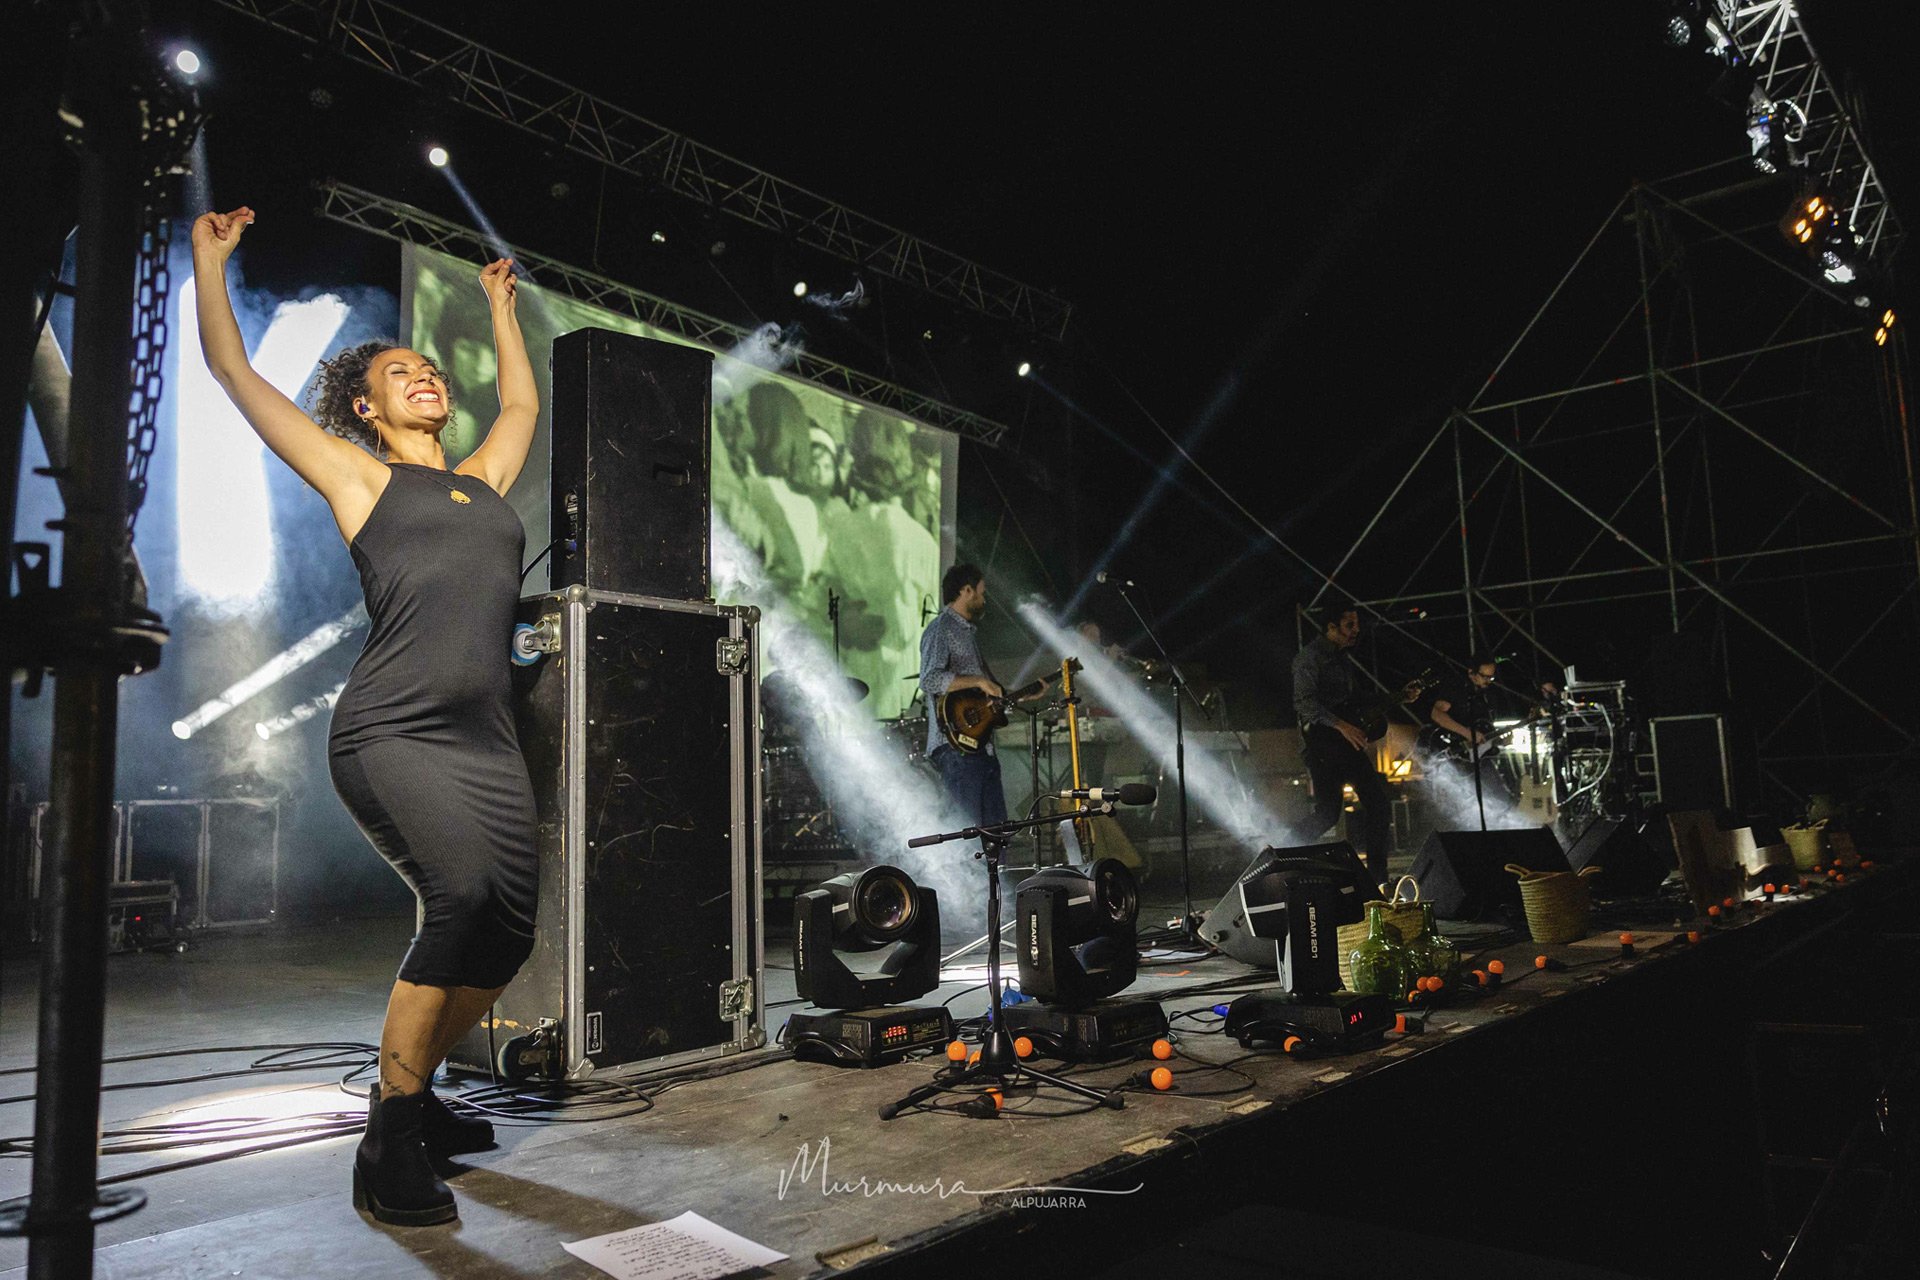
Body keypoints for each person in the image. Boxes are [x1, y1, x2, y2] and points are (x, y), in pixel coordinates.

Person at [192, 206, 539, 1227]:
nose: (426, 376)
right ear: (364, 405)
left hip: (488, 737)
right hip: (394, 729)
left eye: (433, 368)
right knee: (463, 893)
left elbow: (519, 402)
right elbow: (235, 376)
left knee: (510, 931)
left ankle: (420, 1094)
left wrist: (500, 309)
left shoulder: (484, 481)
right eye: (401, 372)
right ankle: (388, 1135)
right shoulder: (359, 475)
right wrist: (215, 265)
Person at [1291, 603, 1410, 891]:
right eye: (1349, 625)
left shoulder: (1342, 659)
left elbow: (1355, 699)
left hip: (1346, 746)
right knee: (1327, 813)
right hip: (1322, 746)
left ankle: (1378, 880)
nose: (1355, 631)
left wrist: (1398, 696)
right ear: (1330, 628)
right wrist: (1341, 726)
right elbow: (1304, 704)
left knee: (1378, 805)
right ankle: (1283, 853)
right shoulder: (1309, 658)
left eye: (1355, 624)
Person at [918, 563, 1046, 828]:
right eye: (981, 592)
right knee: (967, 839)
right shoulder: (941, 629)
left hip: (981, 748)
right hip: (955, 747)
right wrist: (978, 680)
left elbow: (985, 696)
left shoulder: (968, 634)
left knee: (996, 836)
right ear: (966, 590)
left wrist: (1020, 696)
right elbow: (929, 679)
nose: (983, 598)